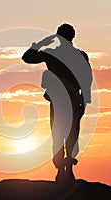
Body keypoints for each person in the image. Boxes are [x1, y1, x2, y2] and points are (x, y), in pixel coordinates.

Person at [22, 23, 92, 182]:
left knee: (61, 134)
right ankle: (65, 169)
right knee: (69, 134)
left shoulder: (53, 54)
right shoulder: (77, 55)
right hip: (70, 100)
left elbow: (27, 57)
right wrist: (84, 100)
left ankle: (64, 169)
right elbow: (87, 79)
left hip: (63, 100)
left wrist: (40, 44)